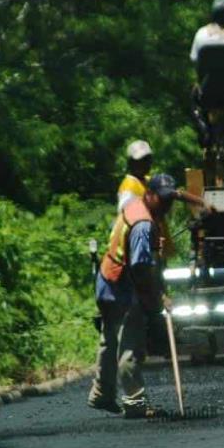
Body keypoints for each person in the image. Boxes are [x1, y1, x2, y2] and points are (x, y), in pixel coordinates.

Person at [89, 173, 179, 419]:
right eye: (163, 200)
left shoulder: (134, 207)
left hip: (107, 279)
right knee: (131, 344)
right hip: (122, 287)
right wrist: (156, 296)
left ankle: (102, 393)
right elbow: (140, 267)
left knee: (109, 339)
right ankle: (135, 400)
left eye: (170, 200)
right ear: (149, 195)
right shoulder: (143, 224)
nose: (167, 206)